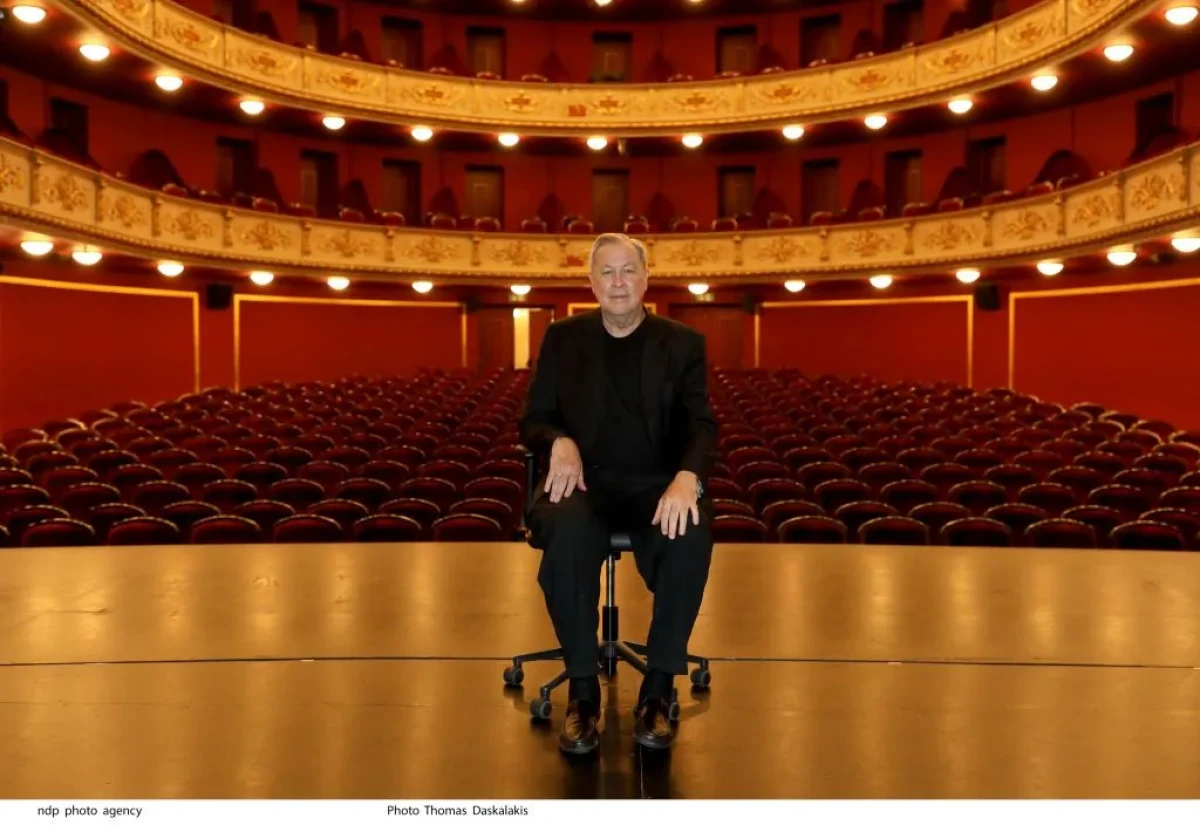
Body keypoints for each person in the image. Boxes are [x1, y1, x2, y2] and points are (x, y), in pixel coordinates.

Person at [519, 232, 718, 755]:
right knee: (566, 528)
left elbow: (701, 425)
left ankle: (658, 689)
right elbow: (533, 419)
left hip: (656, 483)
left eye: (628, 270)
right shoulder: (563, 338)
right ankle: (583, 692)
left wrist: (687, 478)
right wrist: (558, 441)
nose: (618, 282)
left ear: (646, 279)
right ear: (591, 283)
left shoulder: (683, 343)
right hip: (583, 482)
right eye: (606, 272)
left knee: (690, 531)